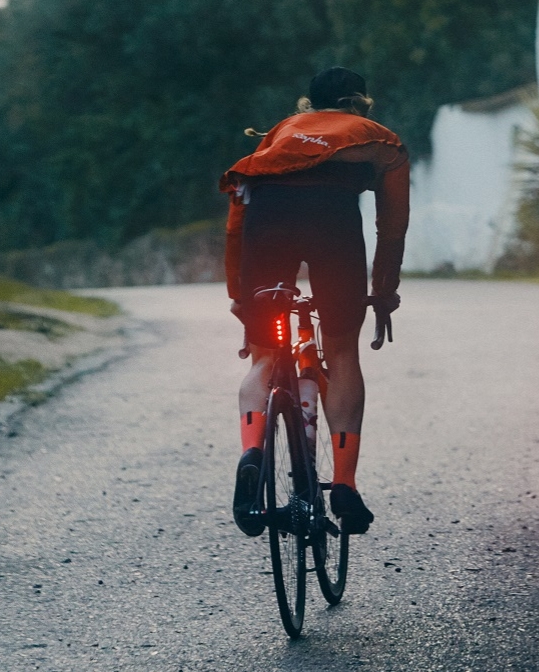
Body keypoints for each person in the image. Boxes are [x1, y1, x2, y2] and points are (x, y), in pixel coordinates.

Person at [220, 67, 409, 537]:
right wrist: (383, 291)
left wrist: (241, 299)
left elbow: (237, 218)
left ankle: (251, 454)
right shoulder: (379, 138)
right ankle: (344, 485)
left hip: (268, 222)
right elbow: (393, 225)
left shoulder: (279, 136)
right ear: (361, 103)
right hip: (333, 224)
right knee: (343, 353)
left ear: (308, 104)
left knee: (263, 358)